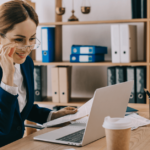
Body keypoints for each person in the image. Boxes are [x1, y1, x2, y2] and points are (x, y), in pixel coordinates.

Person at [0, 0, 77, 147]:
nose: (27, 47)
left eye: (32, 38)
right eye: (19, 39)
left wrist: (52, 116)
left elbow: (19, 108)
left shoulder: (26, 63)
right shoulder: (8, 69)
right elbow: (2, 127)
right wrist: (7, 78)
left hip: (18, 145)